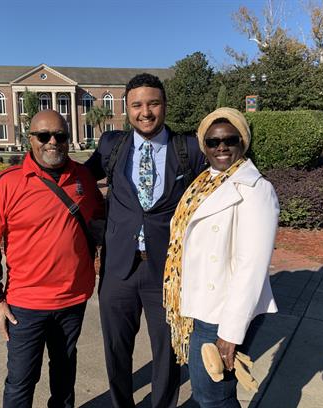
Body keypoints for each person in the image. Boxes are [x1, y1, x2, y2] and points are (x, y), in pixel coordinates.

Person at [85, 73, 207, 408]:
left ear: (164, 105)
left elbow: (222, 181)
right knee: (116, 350)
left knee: (168, 353)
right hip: (118, 269)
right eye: (137, 105)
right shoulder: (112, 145)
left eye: (153, 103)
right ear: (127, 109)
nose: (145, 112)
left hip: (167, 273)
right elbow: (77, 178)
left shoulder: (189, 148)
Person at [0, 110, 104, 408]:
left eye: (60, 135)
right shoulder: (5, 183)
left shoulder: (83, 177)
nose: (52, 142)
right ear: (29, 139)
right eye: (43, 136)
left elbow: (99, 218)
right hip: (25, 304)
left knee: (64, 373)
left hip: (72, 299)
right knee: (21, 380)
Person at [163, 107, 280, 407]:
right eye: (213, 142)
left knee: (213, 396)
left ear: (243, 142)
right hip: (198, 307)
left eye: (230, 140)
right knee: (208, 393)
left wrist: (231, 332)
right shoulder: (203, 183)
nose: (222, 147)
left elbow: (252, 266)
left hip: (222, 313)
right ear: (204, 146)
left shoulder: (256, 189)